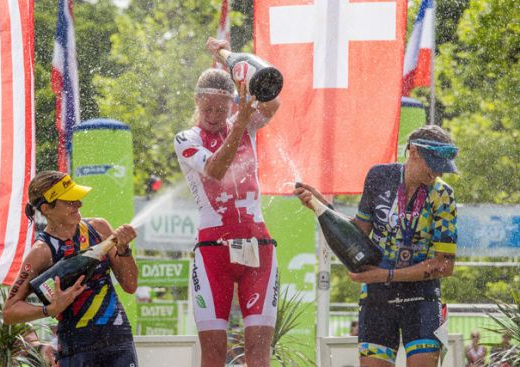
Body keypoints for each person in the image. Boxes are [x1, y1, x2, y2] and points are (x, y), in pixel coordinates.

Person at [295, 125, 459, 367]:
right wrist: (323, 207)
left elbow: (444, 265)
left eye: (441, 167)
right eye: (432, 163)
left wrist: (388, 274)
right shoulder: (379, 177)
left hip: (422, 297)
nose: (435, 173)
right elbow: (360, 232)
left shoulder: (443, 195)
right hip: (377, 296)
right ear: (413, 151)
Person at [174, 37, 280, 367]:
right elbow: (217, 169)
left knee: (258, 354)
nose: (215, 117)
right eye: (208, 110)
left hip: (258, 246)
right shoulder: (186, 139)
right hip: (213, 253)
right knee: (214, 354)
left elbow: (272, 96)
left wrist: (228, 58)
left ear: (231, 105)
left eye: (222, 110)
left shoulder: (243, 118)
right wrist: (241, 119)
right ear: (197, 102)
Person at [2, 171, 139, 367]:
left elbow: (130, 285)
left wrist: (124, 250)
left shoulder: (99, 229)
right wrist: (49, 309)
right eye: (70, 201)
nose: (79, 205)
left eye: (78, 198)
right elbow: (9, 311)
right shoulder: (41, 252)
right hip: (76, 347)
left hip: (118, 339)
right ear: (47, 208)